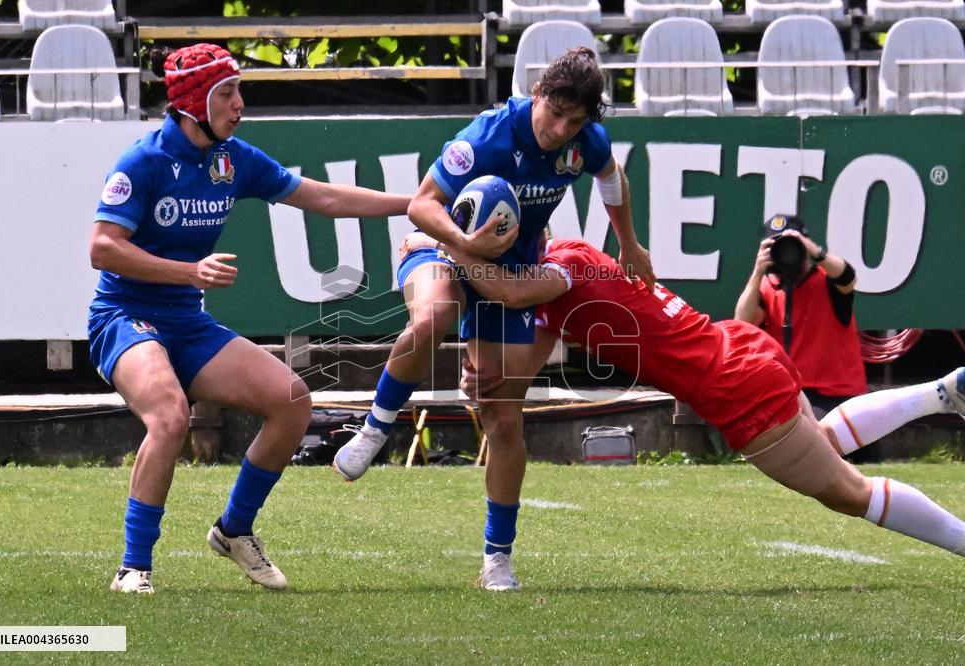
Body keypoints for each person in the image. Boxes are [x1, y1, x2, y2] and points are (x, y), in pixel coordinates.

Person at [429, 234, 965, 568]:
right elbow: (521, 367)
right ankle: (940, 393)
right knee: (821, 443)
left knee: (849, 492)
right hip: (739, 344)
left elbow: (516, 291)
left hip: (731, 384)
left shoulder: (551, 278)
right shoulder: (572, 255)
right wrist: (491, 382)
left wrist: (448, 248)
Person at [89, 43, 411, 594]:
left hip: (187, 325)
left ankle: (234, 531)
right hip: (125, 316)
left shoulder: (232, 159)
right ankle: (133, 568)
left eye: (238, 90)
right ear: (194, 104)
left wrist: (417, 204)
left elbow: (325, 198)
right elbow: (102, 249)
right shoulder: (142, 162)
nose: (240, 104)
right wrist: (188, 271)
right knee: (169, 416)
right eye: (227, 93)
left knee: (291, 401)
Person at [331, 47, 655, 590]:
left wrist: (630, 244)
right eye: (554, 113)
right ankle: (376, 426)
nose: (560, 129)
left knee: (503, 417)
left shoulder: (584, 139)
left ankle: (496, 559)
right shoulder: (488, 135)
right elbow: (422, 204)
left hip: (506, 271)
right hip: (442, 245)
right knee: (433, 318)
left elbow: (611, 176)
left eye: (574, 121)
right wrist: (463, 244)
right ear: (537, 95)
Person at [734, 215, 869, 420]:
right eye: (778, 247)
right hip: (794, 394)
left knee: (819, 432)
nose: (787, 253)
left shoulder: (826, 281)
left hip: (841, 396)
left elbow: (848, 277)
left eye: (792, 246)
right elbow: (742, 324)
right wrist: (757, 272)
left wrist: (814, 250)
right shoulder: (767, 288)